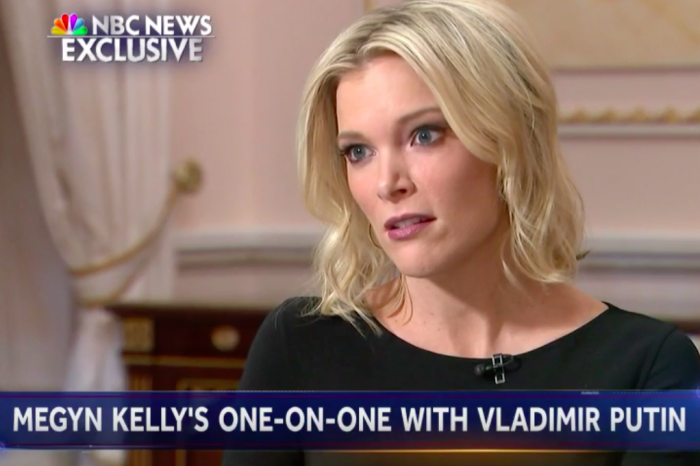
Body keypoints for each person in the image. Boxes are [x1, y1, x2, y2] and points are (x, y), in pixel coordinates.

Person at [222, 0, 700, 464]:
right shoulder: (300, 345)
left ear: (509, 140)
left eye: (424, 135)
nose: (388, 183)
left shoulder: (648, 369)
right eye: (358, 152)